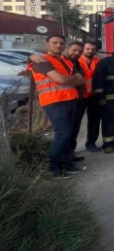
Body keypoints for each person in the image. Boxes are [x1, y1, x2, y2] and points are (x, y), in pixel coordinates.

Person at [28, 35, 84, 179]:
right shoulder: (42, 61)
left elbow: (81, 79)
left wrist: (67, 80)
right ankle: (54, 168)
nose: (58, 45)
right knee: (63, 134)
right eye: (55, 43)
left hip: (70, 100)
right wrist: (70, 79)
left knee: (68, 134)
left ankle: (66, 163)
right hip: (54, 101)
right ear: (47, 44)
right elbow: (60, 79)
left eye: (61, 43)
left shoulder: (66, 61)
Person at [77, 41, 102, 152]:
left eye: (93, 49)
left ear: (96, 51)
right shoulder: (75, 61)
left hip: (93, 95)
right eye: (88, 49)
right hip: (79, 96)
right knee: (75, 122)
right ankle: (70, 147)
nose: (90, 51)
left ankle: (91, 143)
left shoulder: (99, 62)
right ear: (83, 49)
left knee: (94, 121)